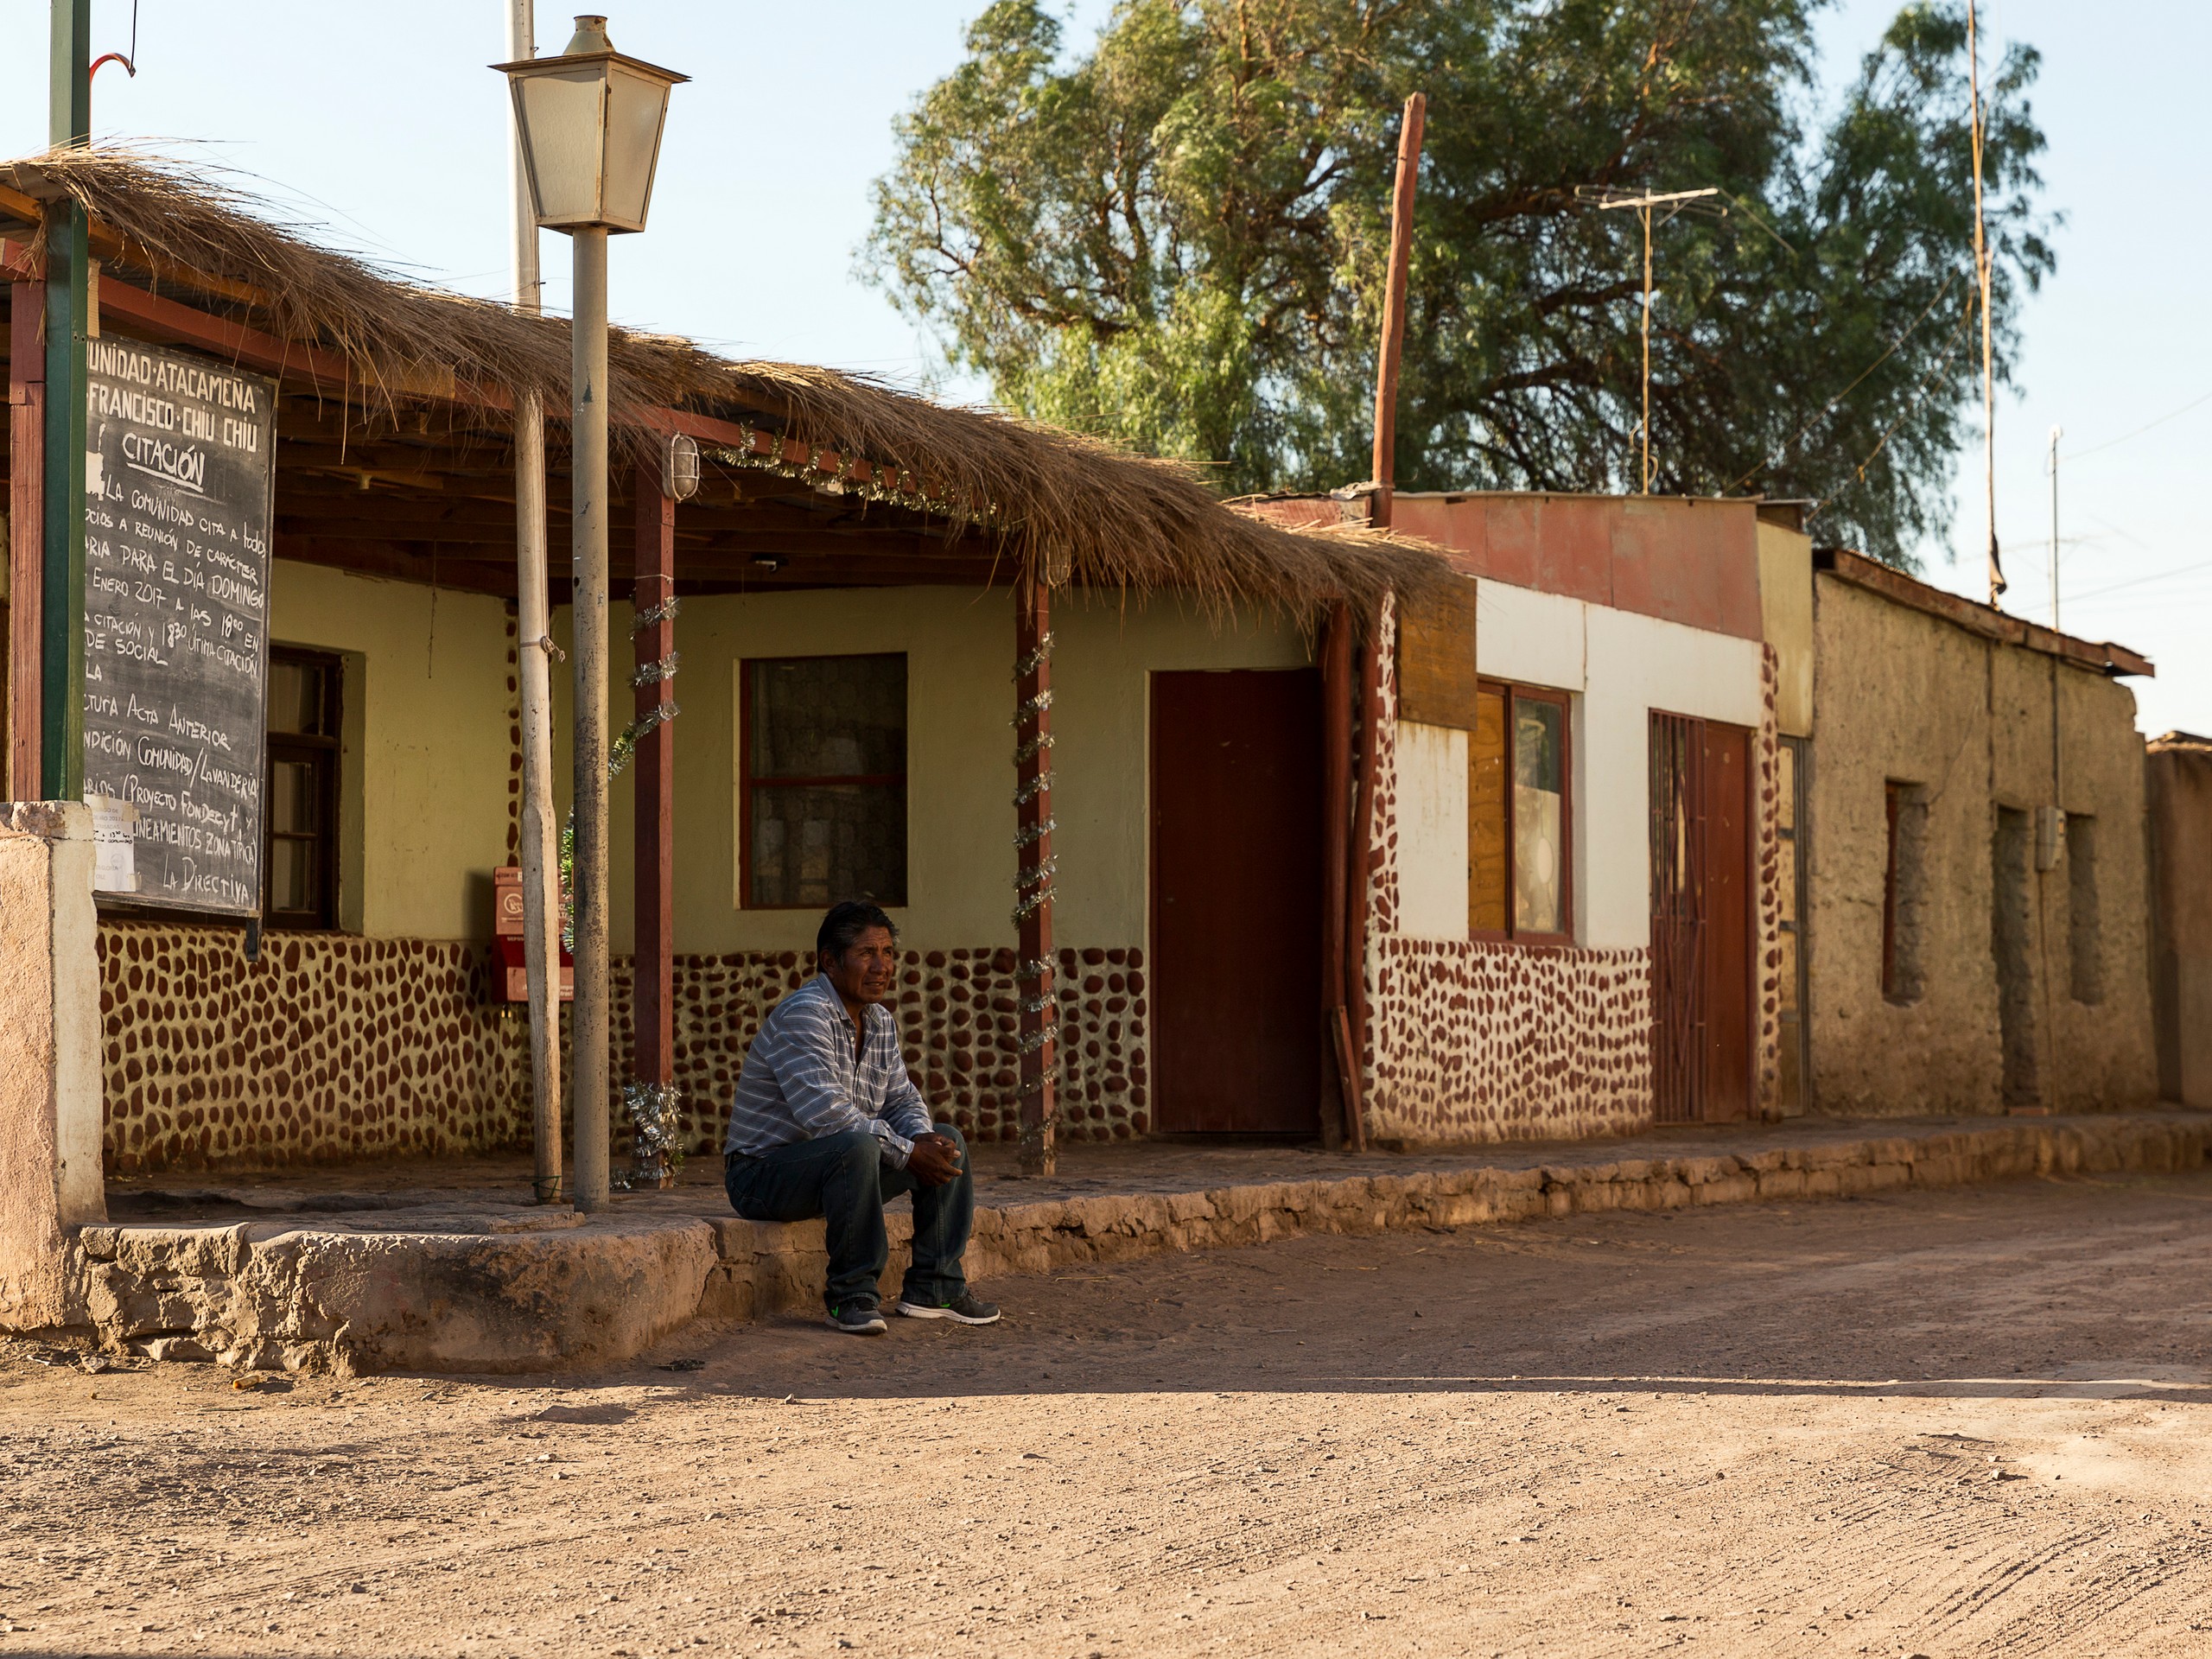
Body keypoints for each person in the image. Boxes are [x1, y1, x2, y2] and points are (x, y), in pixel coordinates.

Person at [723, 900, 1001, 1335]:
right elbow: (828, 1118)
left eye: (888, 952)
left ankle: (935, 1287)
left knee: (948, 1140)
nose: (882, 966)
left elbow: (901, 1099)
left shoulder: (880, 1022)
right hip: (762, 1176)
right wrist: (910, 1153)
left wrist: (924, 1140)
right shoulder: (804, 1015)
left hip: (840, 1167)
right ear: (830, 961)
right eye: (867, 953)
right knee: (857, 1146)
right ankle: (851, 1296)